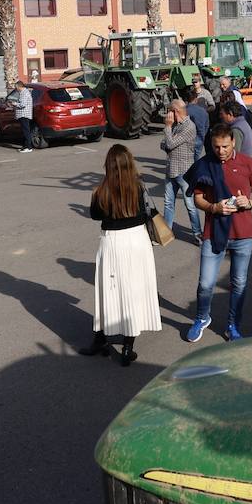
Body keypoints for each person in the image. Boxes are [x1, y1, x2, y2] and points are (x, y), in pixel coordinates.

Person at [185, 124, 252, 343]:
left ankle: (233, 325)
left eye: (225, 146)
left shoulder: (248, 163)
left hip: (243, 234)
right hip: (214, 233)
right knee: (205, 283)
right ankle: (202, 318)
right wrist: (214, 208)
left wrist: (248, 202)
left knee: (238, 283)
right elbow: (197, 198)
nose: (220, 151)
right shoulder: (204, 164)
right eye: (216, 146)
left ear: (233, 142)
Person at [82, 145, 162, 365]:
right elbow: (147, 212)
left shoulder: (101, 191)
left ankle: (100, 338)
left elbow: (94, 215)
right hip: (137, 241)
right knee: (133, 290)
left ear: (108, 165)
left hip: (113, 242)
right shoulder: (138, 186)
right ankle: (128, 347)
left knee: (108, 290)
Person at [160, 99, 202, 238]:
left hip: (184, 172)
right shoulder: (176, 125)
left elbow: (170, 144)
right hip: (171, 169)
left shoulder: (189, 126)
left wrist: (167, 127)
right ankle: (167, 233)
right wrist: (169, 136)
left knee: (190, 205)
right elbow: (163, 143)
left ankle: (197, 234)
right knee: (168, 203)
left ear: (175, 111)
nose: (167, 115)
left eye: (169, 111)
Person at [185, 93, 210, 162]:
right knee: (196, 158)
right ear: (196, 100)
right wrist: (203, 134)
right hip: (200, 138)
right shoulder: (203, 111)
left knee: (187, 160)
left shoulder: (185, 111)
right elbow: (207, 125)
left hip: (188, 139)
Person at [13, 80, 35, 152]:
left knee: (26, 131)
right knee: (25, 131)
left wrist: (15, 104)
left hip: (24, 114)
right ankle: (25, 146)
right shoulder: (23, 93)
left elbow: (23, 104)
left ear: (19, 86)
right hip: (23, 114)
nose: (16, 89)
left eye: (16, 87)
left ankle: (28, 147)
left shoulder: (24, 93)